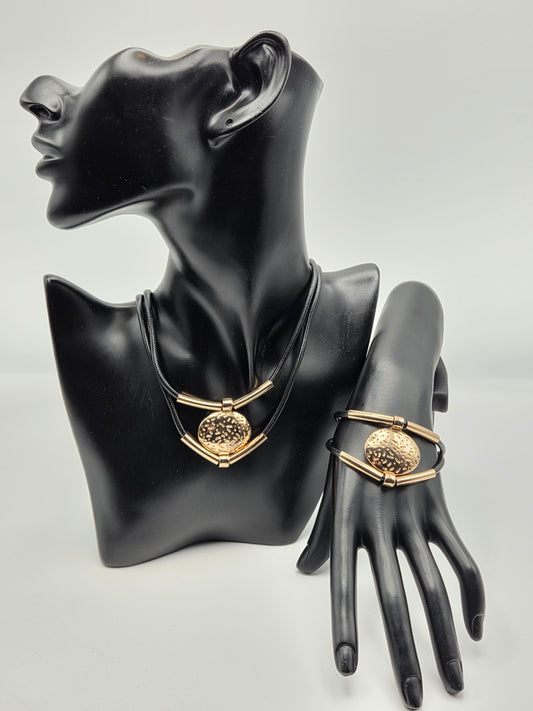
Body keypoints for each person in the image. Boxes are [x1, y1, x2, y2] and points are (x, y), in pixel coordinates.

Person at [20, 31, 484, 709]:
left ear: (246, 92)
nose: (41, 96)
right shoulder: (88, 344)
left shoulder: (352, 326)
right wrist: (404, 354)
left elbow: (408, 301)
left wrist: (396, 376)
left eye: (145, 60)